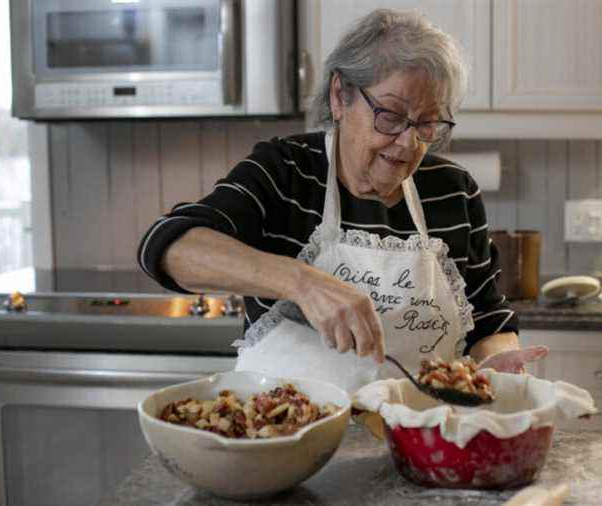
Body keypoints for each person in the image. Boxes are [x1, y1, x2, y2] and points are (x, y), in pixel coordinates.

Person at [137, 9, 546, 393]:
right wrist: (301, 281)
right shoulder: (285, 171)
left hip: (418, 439)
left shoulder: (454, 191)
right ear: (340, 96)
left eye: (426, 123)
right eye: (390, 115)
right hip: (289, 438)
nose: (408, 142)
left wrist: (498, 362)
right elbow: (168, 246)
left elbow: (487, 319)